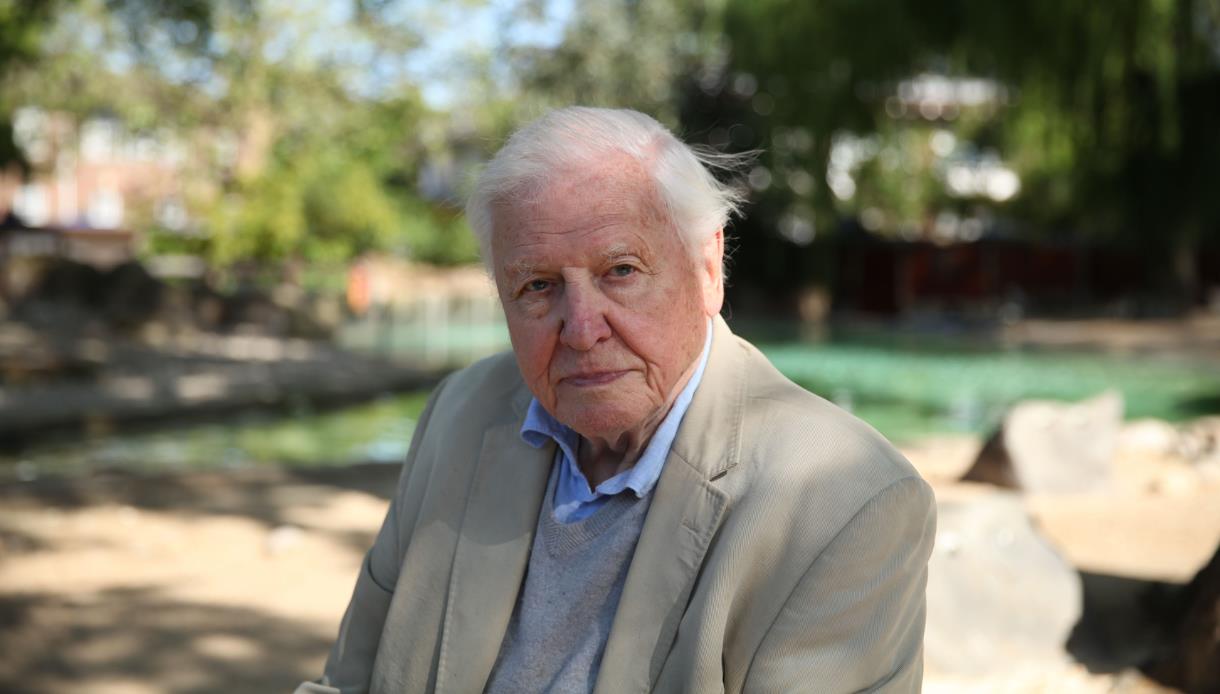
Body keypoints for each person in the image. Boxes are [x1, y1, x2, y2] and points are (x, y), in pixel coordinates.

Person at [296, 107, 935, 694]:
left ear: (708, 268)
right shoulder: (460, 414)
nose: (581, 328)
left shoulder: (844, 503)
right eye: (538, 286)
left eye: (620, 272)